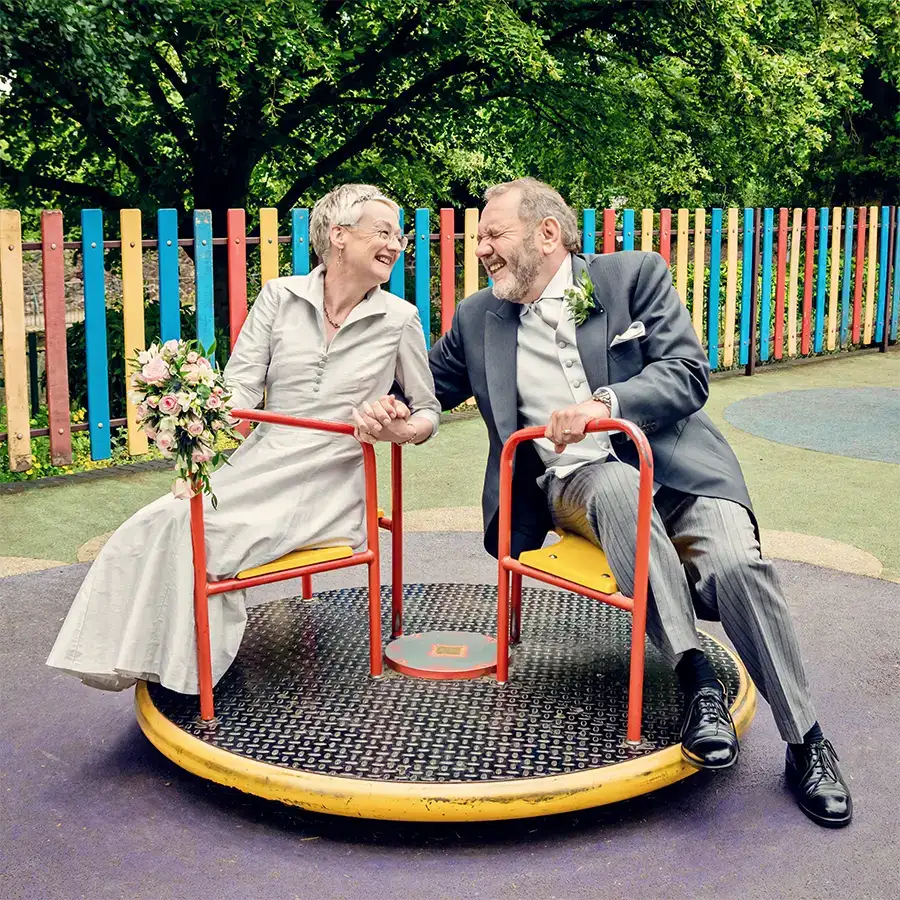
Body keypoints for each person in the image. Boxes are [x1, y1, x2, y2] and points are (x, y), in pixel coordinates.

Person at [423, 177, 851, 827]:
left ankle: (808, 743)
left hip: (679, 474)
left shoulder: (632, 278)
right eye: (478, 236)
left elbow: (685, 373)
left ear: (546, 233)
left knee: (736, 567)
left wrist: (605, 407)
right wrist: (389, 406)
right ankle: (696, 682)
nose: (480, 246)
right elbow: (426, 387)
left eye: (493, 233)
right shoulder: (479, 316)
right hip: (578, 485)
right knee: (617, 485)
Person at [47, 184, 440, 696]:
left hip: (331, 482)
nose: (397, 244)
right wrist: (192, 426)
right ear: (339, 237)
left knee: (205, 537)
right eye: (384, 232)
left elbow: (427, 409)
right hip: (258, 463)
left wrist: (398, 429)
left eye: (400, 236)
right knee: (151, 523)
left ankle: (190, 674)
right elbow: (239, 389)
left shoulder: (399, 318)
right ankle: (139, 658)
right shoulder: (280, 296)